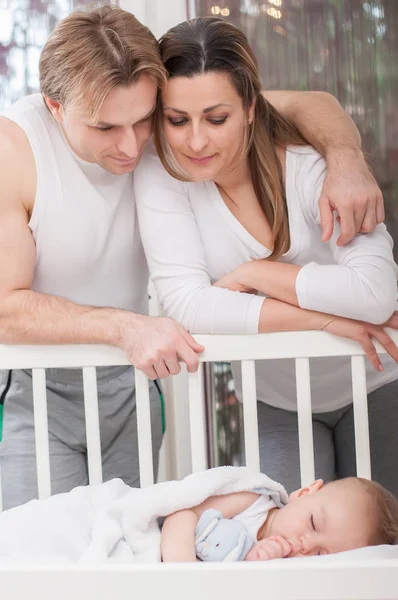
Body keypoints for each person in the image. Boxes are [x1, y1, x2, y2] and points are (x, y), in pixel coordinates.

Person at [0, 6, 387, 510]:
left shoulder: (177, 132)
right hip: (38, 386)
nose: (131, 147)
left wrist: (346, 157)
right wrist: (126, 327)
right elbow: (4, 306)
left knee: (130, 545)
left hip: (129, 386)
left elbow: (304, 103)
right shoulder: (16, 151)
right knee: (40, 557)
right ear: (55, 108)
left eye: (144, 121)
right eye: (105, 128)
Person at [134, 16, 398, 496]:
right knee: (290, 545)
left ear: (252, 107)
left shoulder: (309, 166)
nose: (195, 142)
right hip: (275, 400)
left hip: (379, 380)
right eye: (177, 120)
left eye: (216, 119)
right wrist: (328, 321)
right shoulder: (162, 175)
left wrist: (258, 273)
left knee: (383, 542)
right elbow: (190, 306)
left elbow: (376, 295)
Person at [161, 476, 398, 562]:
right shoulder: (252, 502)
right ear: (305, 493)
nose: (306, 545)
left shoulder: (291, 570)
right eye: (313, 523)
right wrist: (184, 576)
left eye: (320, 555)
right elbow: (183, 514)